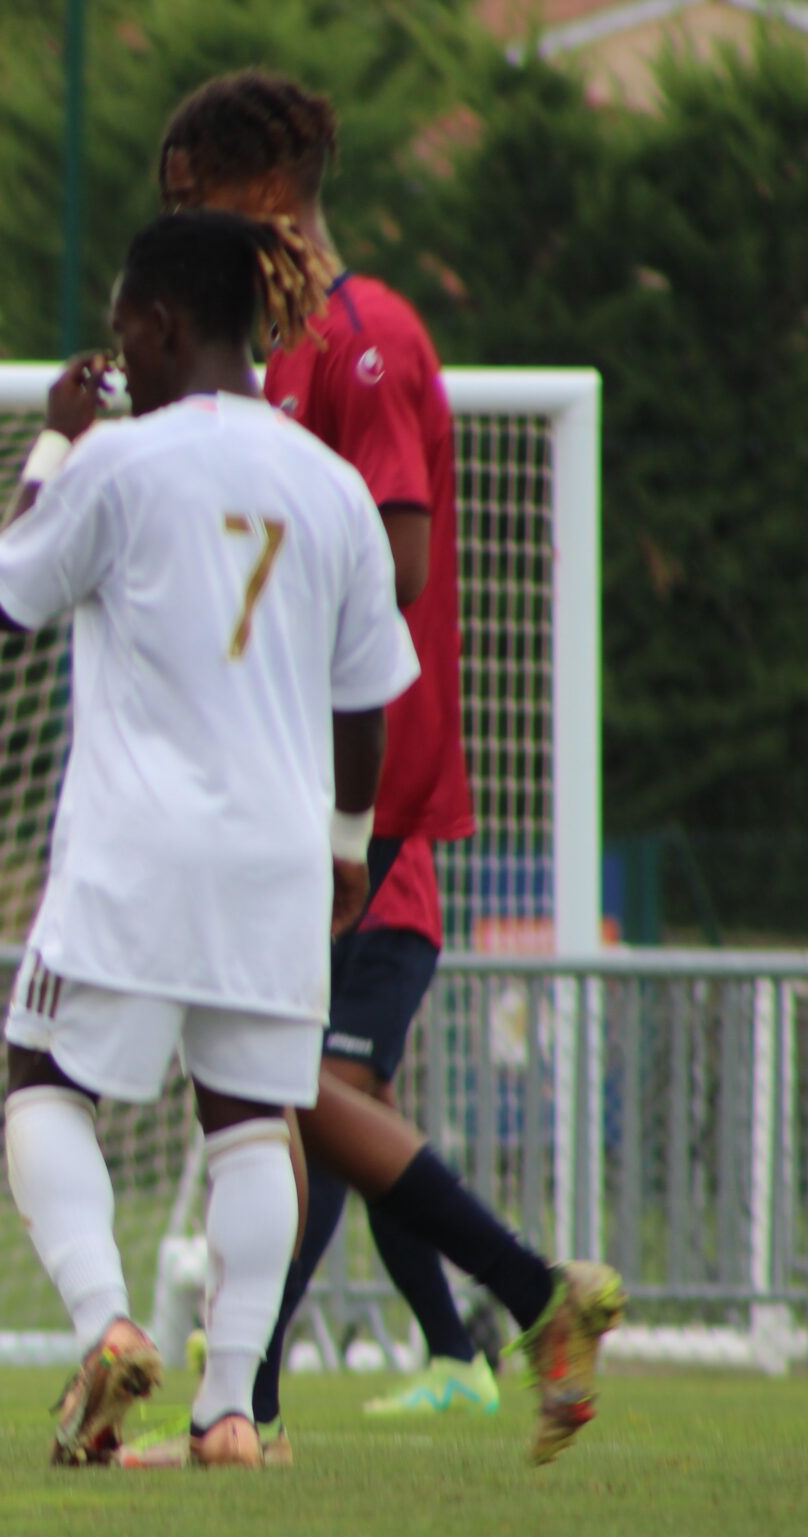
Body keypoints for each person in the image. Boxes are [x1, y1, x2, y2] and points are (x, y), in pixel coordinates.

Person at [150, 69, 624, 1465]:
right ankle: (528, 1299)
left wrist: (350, 803)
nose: (181, 233)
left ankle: (262, 1393)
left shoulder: (365, 339)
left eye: (194, 204)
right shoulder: (271, 358)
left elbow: (397, 560)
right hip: (286, 791)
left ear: (264, 193)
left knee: (284, 1093)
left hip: (362, 803)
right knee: (286, 1092)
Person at [0, 209, 417, 1470]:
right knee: (249, 1119)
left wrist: (58, 437)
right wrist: (345, 845)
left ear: (162, 325)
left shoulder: (124, 462)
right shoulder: (329, 484)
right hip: (281, 853)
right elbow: (364, 701)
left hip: (138, 845)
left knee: (42, 1082)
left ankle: (106, 1324)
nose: (120, 352)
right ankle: (230, 1410)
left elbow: (8, 588)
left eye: (126, 330)